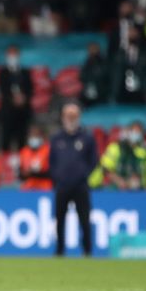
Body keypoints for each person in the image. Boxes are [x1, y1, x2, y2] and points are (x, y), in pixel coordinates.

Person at [49, 103, 98, 257]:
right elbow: (52, 161)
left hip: (81, 186)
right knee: (59, 219)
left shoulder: (87, 138)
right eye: (68, 115)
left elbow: (94, 160)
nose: (70, 119)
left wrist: (84, 174)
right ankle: (59, 250)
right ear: (63, 117)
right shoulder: (56, 139)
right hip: (62, 185)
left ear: (79, 117)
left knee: (84, 219)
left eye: (74, 115)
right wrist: (57, 176)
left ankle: (87, 251)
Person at [91, 121, 146, 190]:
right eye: (134, 131)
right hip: (118, 191)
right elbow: (106, 168)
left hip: (142, 190)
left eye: (138, 132)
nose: (136, 134)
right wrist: (121, 182)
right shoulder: (116, 147)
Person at [0, 46, 33, 153]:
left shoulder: (25, 72)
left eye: (15, 55)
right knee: (6, 140)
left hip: (23, 112)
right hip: (8, 111)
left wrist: (23, 98)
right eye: (10, 55)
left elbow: (30, 88)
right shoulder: (2, 73)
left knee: (22, 140)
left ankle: (22, 164)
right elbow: (3, 89)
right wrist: (13, 99)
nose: (13, 57)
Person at [18, 125, 51, 190]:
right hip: (28, 188)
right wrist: (24, 173)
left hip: (44, 188)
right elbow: (20, 173)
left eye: (36, 135)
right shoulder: (24, 151)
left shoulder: (48, 150)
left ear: (41, 136)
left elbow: (53, 172)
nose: (34, 137)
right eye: (32, 135)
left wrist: (35, 173)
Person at [79, 42, 110, 107]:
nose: (92, 51)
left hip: (102, 91)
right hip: (89, 89)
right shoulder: (87, 62)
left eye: (94, 49)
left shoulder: (104, 62)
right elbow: (82, 76)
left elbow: (106, 77)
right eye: (90, 49)